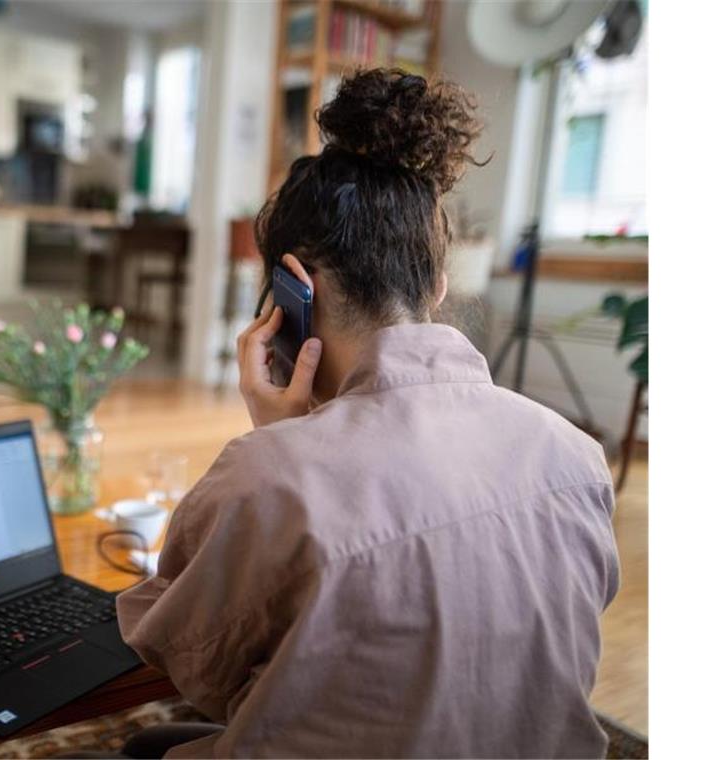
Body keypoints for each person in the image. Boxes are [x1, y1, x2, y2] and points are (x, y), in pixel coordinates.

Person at [112, 69, 620, 758]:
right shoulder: (577, 456)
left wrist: (285, 442)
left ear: (292, 286)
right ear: (437, 284)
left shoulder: (268, 478)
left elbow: (184, 656)